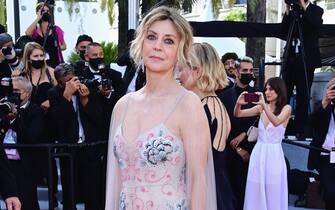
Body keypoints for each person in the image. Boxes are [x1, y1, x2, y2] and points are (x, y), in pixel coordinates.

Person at [105, 6, 216, 210]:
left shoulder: (188, 105)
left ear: (180, 51)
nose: (157, 46)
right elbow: (116, 181)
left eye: (168, 41)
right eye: (151, 37)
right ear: (141, 43)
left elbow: (199, 181)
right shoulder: (123, 106)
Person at [177, 42, 235, 210]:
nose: (178, 75)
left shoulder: (201, 109)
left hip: (204, 195)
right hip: (220, 191)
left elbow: (196, 167)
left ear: (198, 70)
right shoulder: (216, 103)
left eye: (181, 69)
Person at [48, 63, 105, 210]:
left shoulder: (88, 88)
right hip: (69, 151)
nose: (73, 83)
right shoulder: (54, 94)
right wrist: (66, 96)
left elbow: (99, 119)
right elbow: (58, 122)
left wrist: (85, 102)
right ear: (60, 83)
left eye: (74, 79)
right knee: (70, 192)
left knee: (93, 192)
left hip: (89, 149)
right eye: (67, 81)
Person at [234, 77, 291, 210]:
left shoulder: (286, 108)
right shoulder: (261, 108)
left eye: (271, 89)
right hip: (258, 153)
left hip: (274, 154)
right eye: (266, 89)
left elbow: (277, 122)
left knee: (273, 190)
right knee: (255, 189)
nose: (267, 92)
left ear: (279, 90)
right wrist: (238, 103)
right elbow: (238, 114)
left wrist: (263, 106)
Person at [218, 56, 258, 210]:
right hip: (229, 153)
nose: (248, 73)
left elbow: (259, 121)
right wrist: (238, 149)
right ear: (236, 72)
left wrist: (245, 139)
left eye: (250, 70)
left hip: (252, 152)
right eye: (244, 70)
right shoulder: (224, 96)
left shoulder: (257, 95)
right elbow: (223, 125)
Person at [281, 0, 323, 138]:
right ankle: (282, 126)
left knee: (303, 96)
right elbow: (283, 31)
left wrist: (304, 6)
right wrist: (287, 9)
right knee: (284, 94)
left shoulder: (316, 10)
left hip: (306, 62)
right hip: (291, 61)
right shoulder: (293, 12)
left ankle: (300, 129)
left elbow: (314, 24)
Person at [1, 76, 44, 210]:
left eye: (16, 91)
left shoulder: (35, 110)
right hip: (5, 162)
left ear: (27, 92)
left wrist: (15, 119)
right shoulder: (3, 108)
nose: (13, 95)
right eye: (11, 91)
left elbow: (31, 137)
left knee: (27, 200)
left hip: (25, 164)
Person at [307, 77, 335, 210]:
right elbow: (311, 122)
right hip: (325, 156)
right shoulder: (322, 105)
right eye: (332, 89)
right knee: (330, 194)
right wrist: (325, 102)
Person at [25, 2, 66, 68]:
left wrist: (56, 46)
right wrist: (38, 18)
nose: (45, 12)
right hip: (39, 62)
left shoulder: (55, 29)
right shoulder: (35, 29)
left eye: (47, 11)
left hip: (55, 62)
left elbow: (64, 46)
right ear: (38, 12)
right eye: (43, 10)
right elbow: (27, 33)